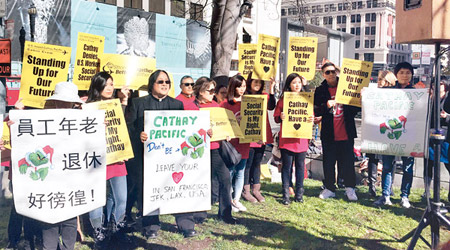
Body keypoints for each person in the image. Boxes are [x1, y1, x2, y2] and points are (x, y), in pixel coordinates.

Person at [127, 70, 197, 238]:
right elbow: (128, 128)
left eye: (167, 82)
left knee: (178, 187)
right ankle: (150, 226)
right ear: (152, 84)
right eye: (161, 82)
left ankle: (185, 224)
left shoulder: (176, 105)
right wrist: (139, 135)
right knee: (148, 190)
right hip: (146, 158)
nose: (165, 84)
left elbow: (184, 131)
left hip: (171, 158)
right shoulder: (137, 103)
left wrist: (203, 133)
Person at [85, 72, 131, 248]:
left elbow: (123, 128)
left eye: (112, 84)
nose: (109, 87)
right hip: (95, 160)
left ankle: (117, 231)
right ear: (97, 86)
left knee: (121, 198)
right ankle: (99, 234)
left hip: (117, 157)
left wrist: (124, 102)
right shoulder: (87, 107)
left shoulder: (116, 104)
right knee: (96, 199)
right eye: (106, 84)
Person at [184, 77, 237, 224]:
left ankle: (226, 213)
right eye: (210, 90)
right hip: (198, 149)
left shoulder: (216, 106)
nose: (213, 94)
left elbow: (222, 125)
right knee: (200, 181)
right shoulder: (189, 106)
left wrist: (226, 134)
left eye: (214, 90)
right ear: (200, 91)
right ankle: (199, 214)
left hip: (215, 148)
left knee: (225, 179)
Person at [40, 81, 85, 250]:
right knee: (50, 224)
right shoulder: (41, 121)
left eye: (68, 102)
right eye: (61, 101)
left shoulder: (83, 122)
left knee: (69, 221)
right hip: (49, 180)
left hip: (71, 179)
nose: (64, 105)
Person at [314, 62, 360, 201]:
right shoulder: (320, 90)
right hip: (329, 133)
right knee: (328, 162)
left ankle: (350, 188)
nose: (331, 74)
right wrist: (326, 105)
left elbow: (356, 109)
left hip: (346, 132)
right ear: (323, 75)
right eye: (327, 72)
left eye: (333, 71)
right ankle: (329, 188)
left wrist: (358, 99)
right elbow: (316, 109)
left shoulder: (346, 86)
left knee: (347, 162)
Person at [374, 62, 416, 208]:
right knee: (387, 166)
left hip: (409, 135)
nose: (405, 75)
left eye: (408, 72)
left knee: (407, 167)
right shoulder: (388, 91)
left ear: (411, 74)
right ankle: (385, 195)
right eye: (401, 72)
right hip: (390, 134)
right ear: (396, 75)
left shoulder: (417, 92)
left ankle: (405, 196)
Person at [274, 73, 311, 205]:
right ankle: (286, 194)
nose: (297, 85)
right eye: (294, 82)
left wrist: (312, 118)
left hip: (301, 139)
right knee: (286, 167)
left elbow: (311, 114)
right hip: (287, 139)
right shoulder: (283, 100)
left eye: (299, 83)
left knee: (300, 166)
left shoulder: (307, 99)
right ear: (289, 84)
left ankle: (299, 194)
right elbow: (276, 117)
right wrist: (281, 116)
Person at [242, 72, 276, 203]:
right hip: (249, 133)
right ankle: (246, 190)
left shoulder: (264, 95)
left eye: (259, 81)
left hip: (261, 133)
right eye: (254, 81)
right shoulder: (245, 96)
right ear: (249, 82)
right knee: (248, 164)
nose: (257, 84)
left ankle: (256, 189)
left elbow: (271, 105)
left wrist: (271, 88)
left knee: (257, 163)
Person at [220, 75, 250, 212]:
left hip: (244, 141)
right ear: (233, 87)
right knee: (230, 171)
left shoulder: (249, 102)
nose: (242, 89)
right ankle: (227, 199)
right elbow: (219, 122)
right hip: (231, 143)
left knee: (241, 171)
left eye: (244, 86)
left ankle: (236, 200)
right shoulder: (225, 104)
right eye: (239, 86)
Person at [365, 70, 397, 197]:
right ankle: (372, 186)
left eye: (380, 80)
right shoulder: (374, 93)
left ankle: (388, 186)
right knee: (373, 157)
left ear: (388, 81)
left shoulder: (395, 94)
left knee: (390, 160)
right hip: (375, 129)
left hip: (389, 130)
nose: (378, 82)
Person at [425, 81, 450, 201]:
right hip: (430, 136)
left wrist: (447, 116)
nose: (437, 90)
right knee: (429, 164)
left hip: (445, 138)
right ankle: (427, 191)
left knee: (447, 165)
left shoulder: (448, 100)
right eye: (435, 87)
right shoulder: (429, 99)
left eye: (440, 87)